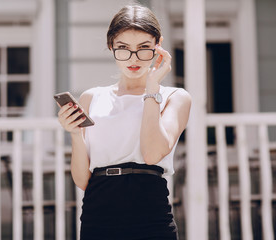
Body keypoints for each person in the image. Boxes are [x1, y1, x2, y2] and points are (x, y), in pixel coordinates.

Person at [57, 4, 191, 240]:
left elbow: (151, 154)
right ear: (111, 46)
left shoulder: (175, 98)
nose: (134, 58)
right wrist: (75, 134)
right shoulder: (92, 97)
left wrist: (152, 89)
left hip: (150, 214)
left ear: (158, 46)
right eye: (123, 48)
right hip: (98, 215)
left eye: (144, 48)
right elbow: (82, 180)